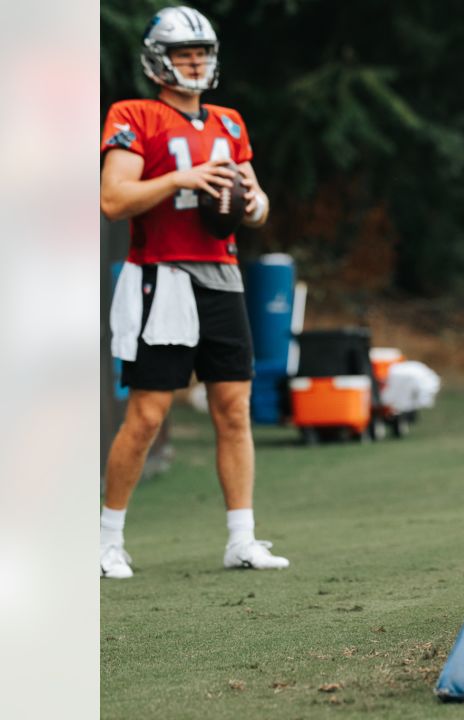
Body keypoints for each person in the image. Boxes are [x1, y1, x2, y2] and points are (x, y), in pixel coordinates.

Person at [99, 6, 288, 578]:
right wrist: (180, 178)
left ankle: (241, 539)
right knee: (149, 414)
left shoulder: (229, 122)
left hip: (222, 276)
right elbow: (113, 199)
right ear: (159, 60)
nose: (196, 62)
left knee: (234, 409)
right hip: (163, 275)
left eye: (202, 52)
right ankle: (107, 540)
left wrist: (254, 204)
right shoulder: (134, 114)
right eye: (185, 53)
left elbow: (255, 207)